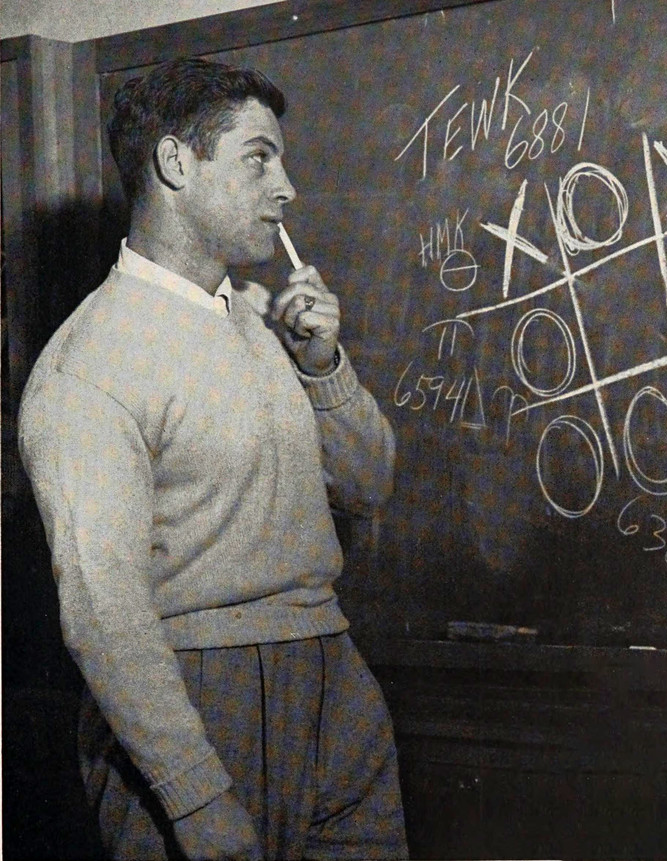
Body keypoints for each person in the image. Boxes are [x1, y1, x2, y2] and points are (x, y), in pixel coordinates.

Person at [18, 57, 407, 861]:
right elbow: (103, 609)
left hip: (334, 685)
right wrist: (194, 792)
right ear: (175, 163)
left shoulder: (254, 326)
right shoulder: (86, 366)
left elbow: (370, 485)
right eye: (259, 158)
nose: (286, 188)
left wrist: (324, 369)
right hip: (199, 701)